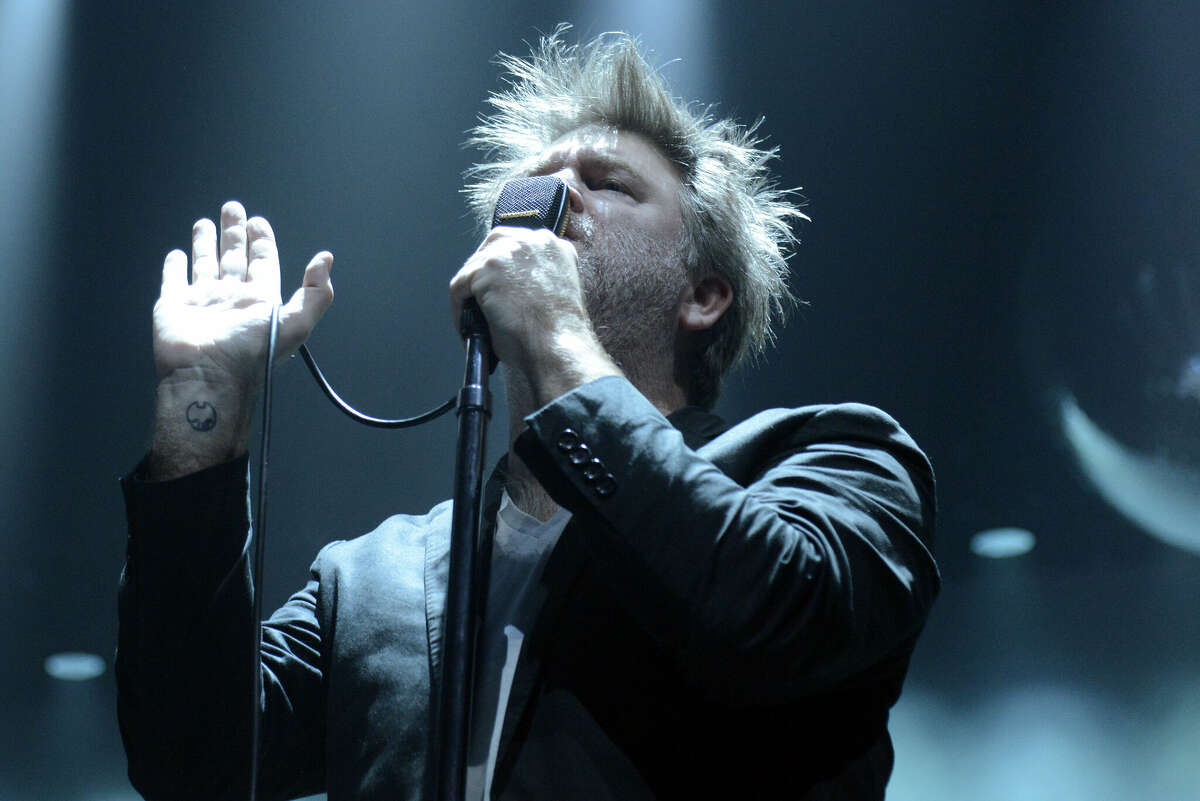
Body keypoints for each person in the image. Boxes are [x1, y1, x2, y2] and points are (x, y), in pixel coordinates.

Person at [117, 28, 939, 801]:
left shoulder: (834, 461)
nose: (555, 199)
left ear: (704, 294)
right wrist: (206, 399)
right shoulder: (371, 579)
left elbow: (776, 624)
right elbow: (191, 756)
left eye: (607, 184)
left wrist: (555, 333)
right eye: (541, 182)